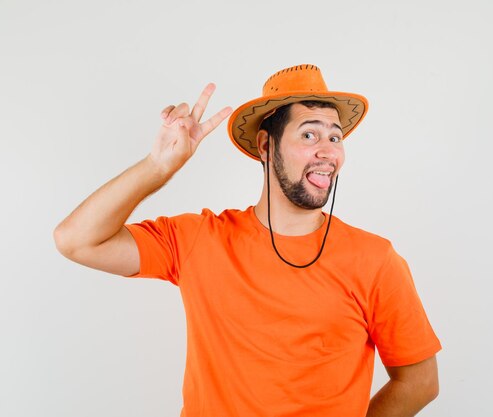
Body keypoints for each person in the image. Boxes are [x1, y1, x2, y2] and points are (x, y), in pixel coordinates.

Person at [54, 64, 442, 417]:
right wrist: (158, 167)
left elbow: (420, 381)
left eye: (335, 138)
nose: (328, 152)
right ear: (265, 145)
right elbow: (77, 240)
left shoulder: (375, 260)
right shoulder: (198, 239)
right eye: (309, 134)